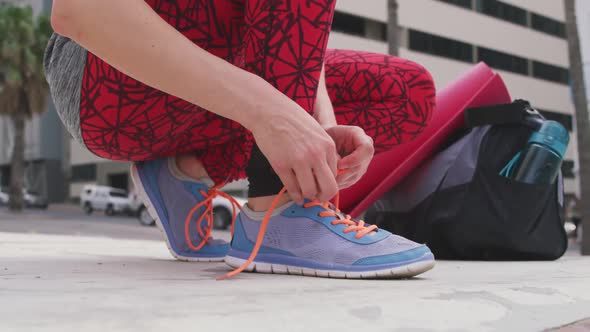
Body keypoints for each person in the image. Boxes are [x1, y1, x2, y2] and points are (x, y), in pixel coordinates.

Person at [46, 0, 437, 279]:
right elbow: (79, 11)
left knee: (405, 93)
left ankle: (183, 171)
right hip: (109, 87)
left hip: (200, 84)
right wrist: (268, 113)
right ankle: (280, 209)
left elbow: (283, 26)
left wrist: (314, 121)